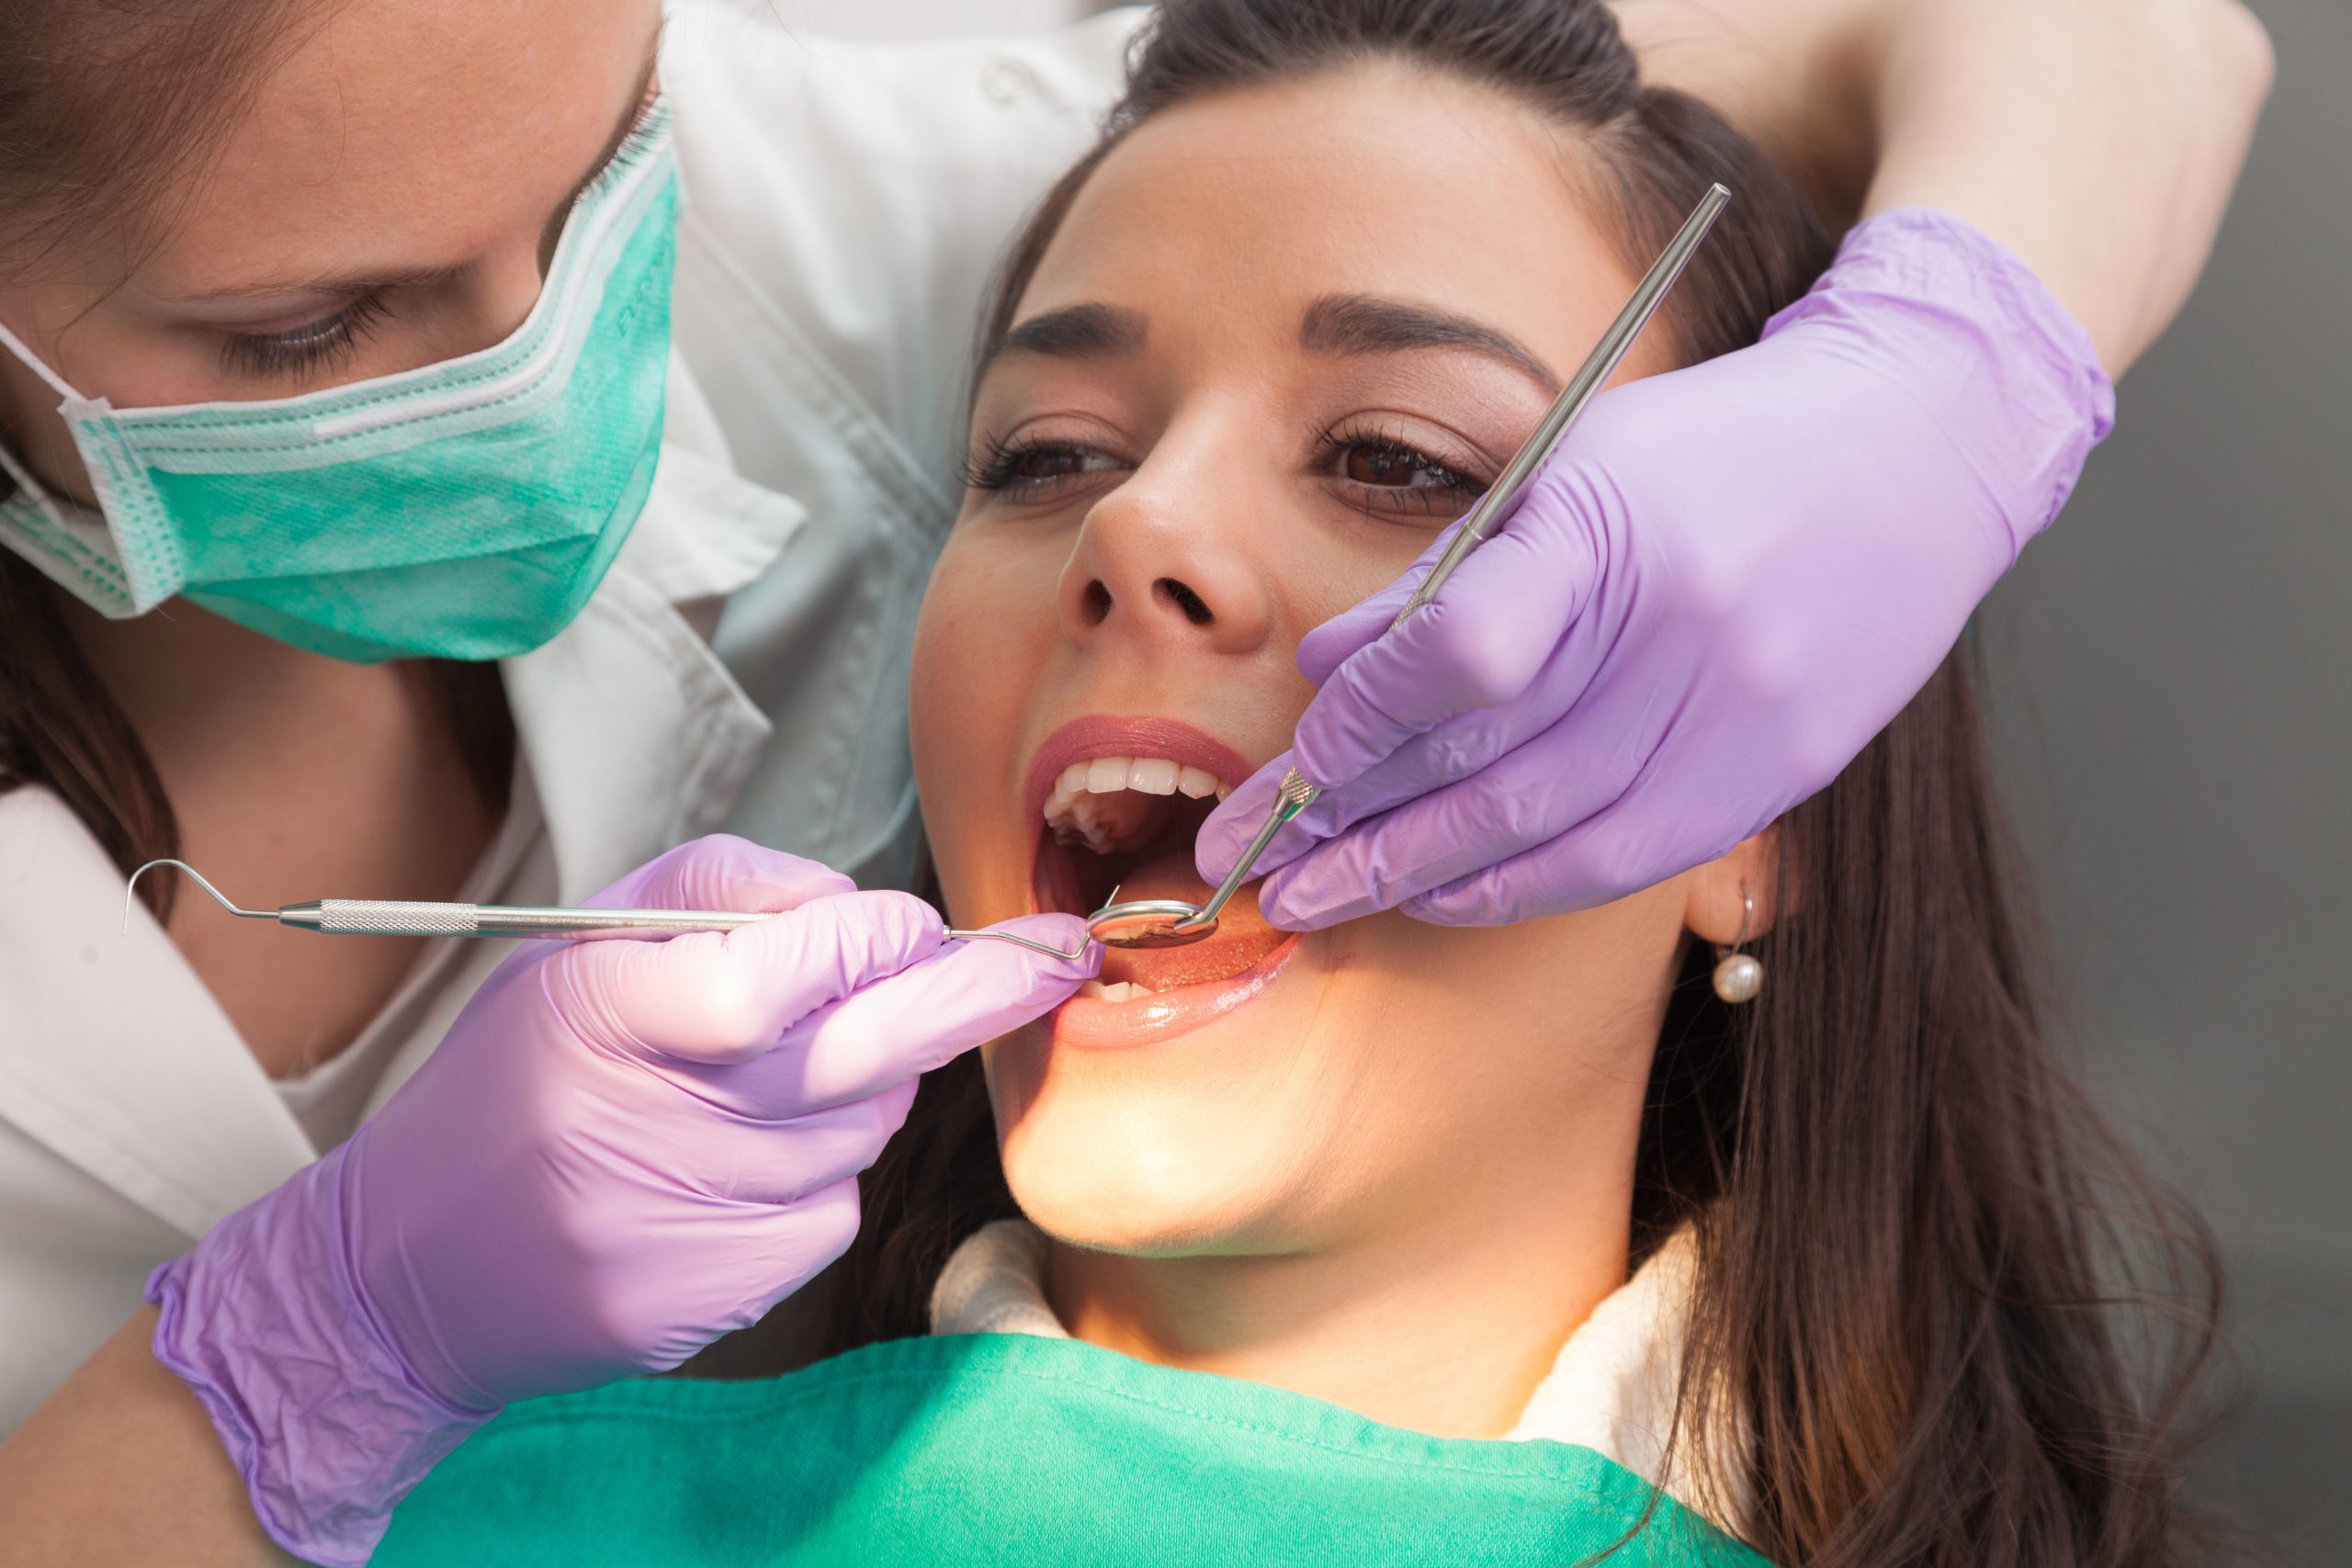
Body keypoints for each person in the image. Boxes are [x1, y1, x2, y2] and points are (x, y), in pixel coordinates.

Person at [0, 0, 2268, 1562]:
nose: (1135, 530)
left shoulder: (918, 207)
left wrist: (1947, 385)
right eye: (1040, 455)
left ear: (1761, 791)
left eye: (1395, 459)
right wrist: (316, 1356)